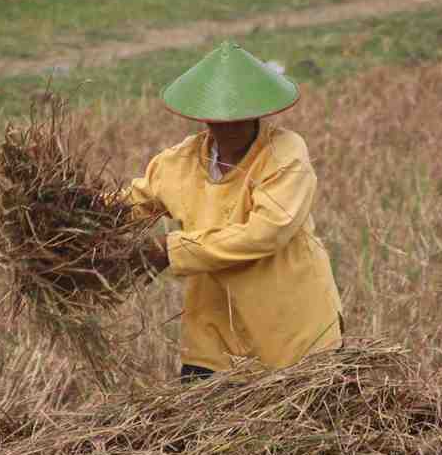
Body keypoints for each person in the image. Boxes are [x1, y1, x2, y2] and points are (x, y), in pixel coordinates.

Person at [128, 41, 343, 383]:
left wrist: (168, 251)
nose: (227, 124)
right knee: (198, 431)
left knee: (292, 431)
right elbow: (132, 202)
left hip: (291, 331)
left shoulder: (285, 155)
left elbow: (265, 233)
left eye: (238, 115)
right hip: (214, 331)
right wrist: (77, 212)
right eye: (218, 115)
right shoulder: (180, 161)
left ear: (259, 112)